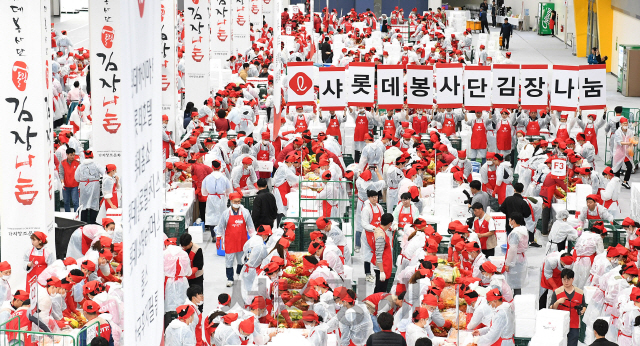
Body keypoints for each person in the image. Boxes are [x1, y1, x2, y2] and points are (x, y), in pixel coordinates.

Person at [215, 192, 256, 287]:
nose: (237, 203)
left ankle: (240, 274)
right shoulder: (225, 213)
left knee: (241, 260)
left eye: (238, 201)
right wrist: (218, 238)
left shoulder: (245, 212)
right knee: (229, 260)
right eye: (235, 201)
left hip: (242, 241)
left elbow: (250, 227)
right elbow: (221, 227)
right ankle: (230, 278)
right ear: (231, 201)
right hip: (230, 241)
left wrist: (253, 239)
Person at [550, 269, 586, 346]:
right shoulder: (557, 292)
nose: (566, 281)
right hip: (560, 324)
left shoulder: (580, 292)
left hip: (574, 324)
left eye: (568, 279)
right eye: (564, 279)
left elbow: (584, 305)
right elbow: (551, 309)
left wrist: (583, 310)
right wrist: (558, 302)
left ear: (573, 279)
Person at [202, 160, 232, 237]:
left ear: (212, 167)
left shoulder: (207, 178)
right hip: (221, 198)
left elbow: (204, 192)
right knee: (222, 215)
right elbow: (229, 190)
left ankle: (213, 235)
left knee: (211, 216)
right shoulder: (224, 178)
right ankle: (221, 234)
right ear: (220, 167)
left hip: (211, 198)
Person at [74, 150, 103, 224]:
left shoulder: (80, 166)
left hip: (84, 185)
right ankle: (93, 223)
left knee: (84, 205)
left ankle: (83, 223)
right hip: (94, 185)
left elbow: (76, 177)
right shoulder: (96, 164)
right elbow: (104, 173)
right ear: (92, 156)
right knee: (94, 204)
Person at [504, 212, 529, 295]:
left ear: (513, 221)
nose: (509, 221)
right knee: (518, 283)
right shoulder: (523, 230)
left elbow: (512, 249)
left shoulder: (515, 233)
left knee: (512, 283)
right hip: (521, 258)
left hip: (515, 259)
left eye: (510, 220)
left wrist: (508, 263)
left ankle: (512, 300)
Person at [612, 117, 634, 189]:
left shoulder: (630, 132)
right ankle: (616, 182)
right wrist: (629, 143)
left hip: (626, 153)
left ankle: (625, 182)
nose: (625, 125)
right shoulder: (618, 132)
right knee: (617, 168)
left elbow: (632, 140)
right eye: (624, 123)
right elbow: (620, 142)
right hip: (619, 152)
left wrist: (633, 144)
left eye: (626, 123)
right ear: (621, 124)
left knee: (629, 167)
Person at [59, 147, 80, 212]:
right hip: (65, 186)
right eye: (71, 155)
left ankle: (77, 216)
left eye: (73, 155)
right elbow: (61, 173)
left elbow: (80, 174)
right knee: (66, 202)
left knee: (75, 202)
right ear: (67, 155)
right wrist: (62, 182)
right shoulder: (62, 163)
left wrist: (80, 184)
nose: (72, 156)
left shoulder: (78, 163)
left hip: (75, 186)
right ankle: (67, 216)